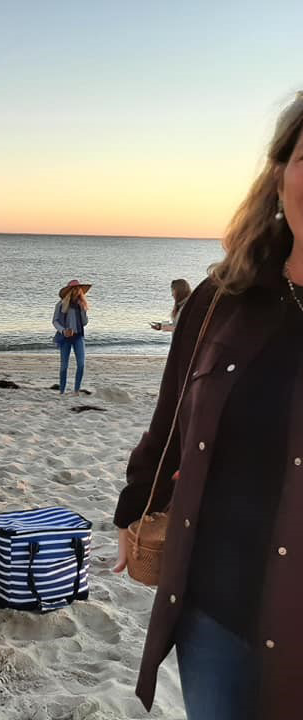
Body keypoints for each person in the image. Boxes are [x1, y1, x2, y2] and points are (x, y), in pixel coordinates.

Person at [113, 91, 303, 719]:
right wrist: (135, 507)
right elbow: (169, 420)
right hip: (219, 610)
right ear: (280, 175)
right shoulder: (221, 300)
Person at [52, 279, 90, 394]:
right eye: (75, 288)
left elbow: (84, 322)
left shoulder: (81, 304)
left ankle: (76, 390)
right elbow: (55, 321)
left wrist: (83, 310)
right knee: (64, 366)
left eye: (79, 289)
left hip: (78, 337)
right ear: (70, 291)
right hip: (65, 338)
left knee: (81, 364)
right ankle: (62, 391)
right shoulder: (61, 304)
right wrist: (63, 331)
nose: (77, 291)